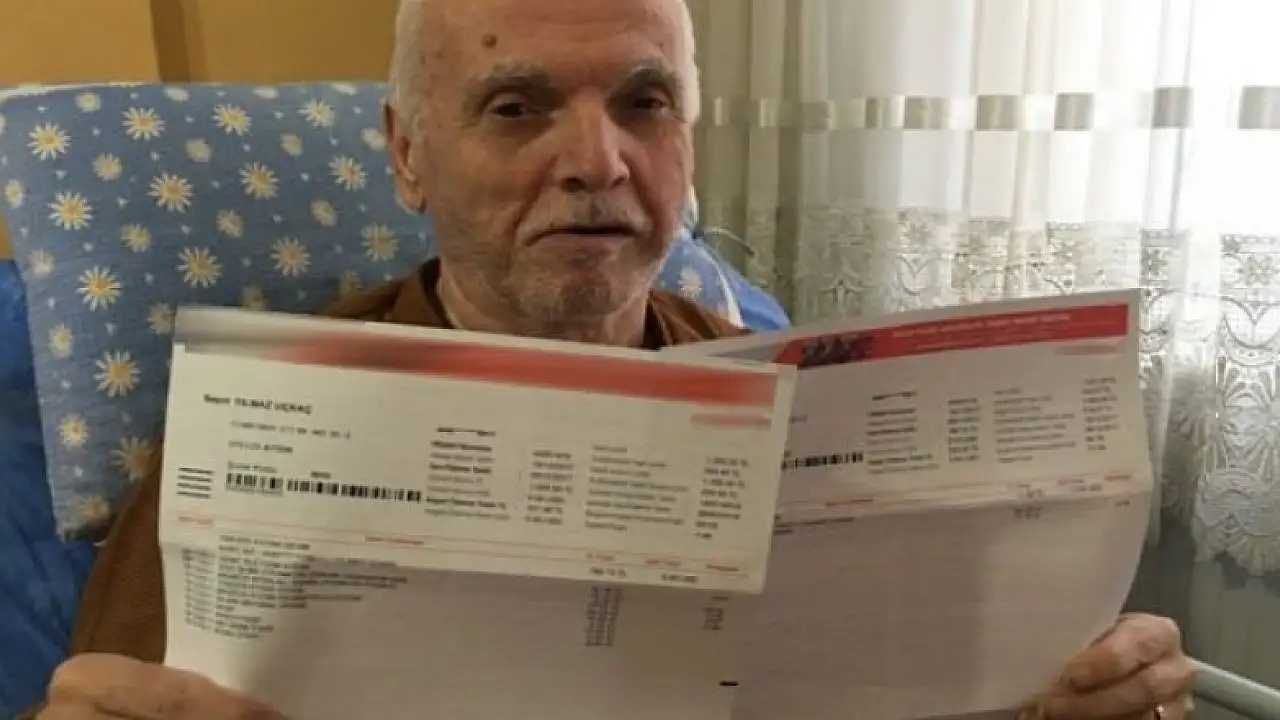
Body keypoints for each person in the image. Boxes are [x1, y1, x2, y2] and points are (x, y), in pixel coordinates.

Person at [36, 0, 1197, 717]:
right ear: (406, 155)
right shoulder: (258, 423)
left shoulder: (793, 404)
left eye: (645, 101)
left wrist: (1075, 703)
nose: (597, 160)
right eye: (513, 106)